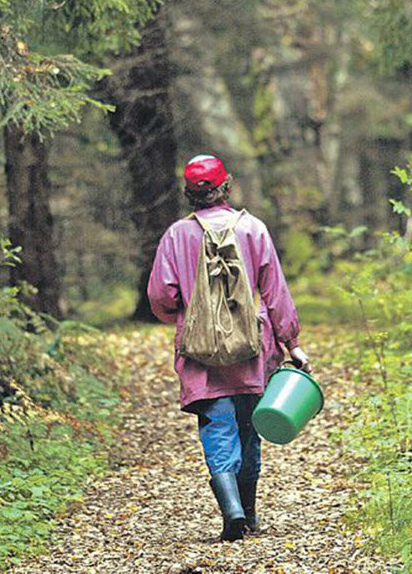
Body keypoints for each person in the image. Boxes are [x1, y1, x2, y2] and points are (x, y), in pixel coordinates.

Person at [147, 154, 310, 542]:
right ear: (228, 185)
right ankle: (249, 512)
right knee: (249, 429)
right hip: (253, 350)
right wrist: (293, 345)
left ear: (189, 194)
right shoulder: (253, 229)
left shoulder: (177, 235)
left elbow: (161, 294)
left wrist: (185, 314)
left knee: (217, 427)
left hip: (201, 354)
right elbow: (275, 294)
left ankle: (231, 510)